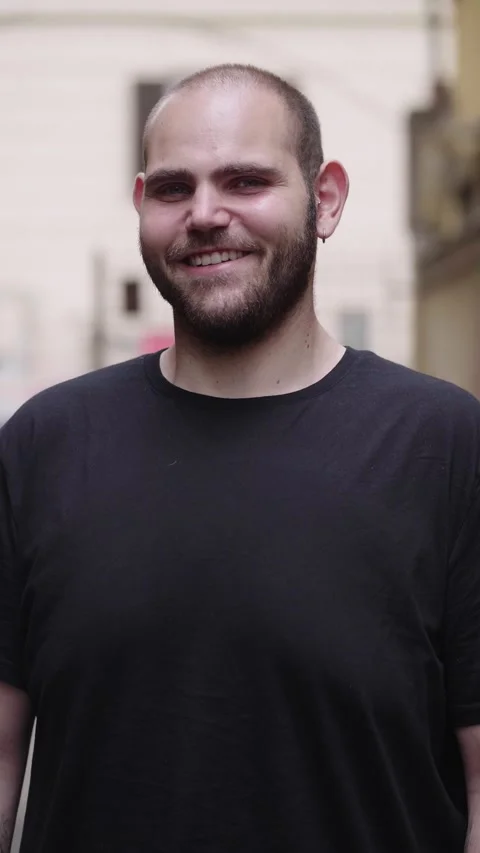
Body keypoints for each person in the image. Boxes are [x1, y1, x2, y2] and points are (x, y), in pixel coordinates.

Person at [0, 63, 479, 853]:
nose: (205, 214)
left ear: (324, 199)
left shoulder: (445, 447)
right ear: (141, 207)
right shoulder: (43, 447)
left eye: (246, 180)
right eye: (173, 188)